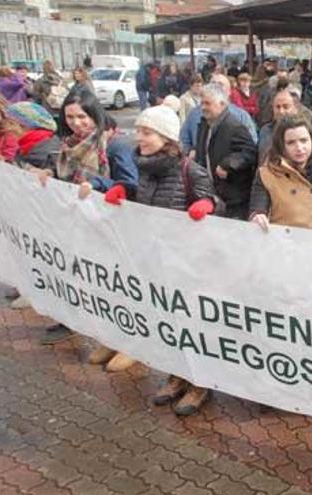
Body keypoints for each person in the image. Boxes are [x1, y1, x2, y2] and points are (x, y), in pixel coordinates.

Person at [102, 105, 218, 415]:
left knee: (192, 324)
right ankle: (176, 376)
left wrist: (206, 205)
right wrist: (124, 191)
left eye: (146, 132)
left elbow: (212, 200)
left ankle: (199, 384)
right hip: (156, 260)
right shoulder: (144, 168)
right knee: (168, 322)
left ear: (166, 137)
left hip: (188, 263)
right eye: (138, 131)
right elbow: (143, 199)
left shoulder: (189, 170)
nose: (139, 137)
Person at [34, 90, 111, 345]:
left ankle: (109, 333)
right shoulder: (65, 145)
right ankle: (70, 320)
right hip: (70, 222)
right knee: (68, 273)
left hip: (100, 225)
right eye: (70, 117)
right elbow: (59, 173)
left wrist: (98, 185)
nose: (76, 123)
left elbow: (126, 183)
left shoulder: (109, 144)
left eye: (82, 116)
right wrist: (48, 171)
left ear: (94, 115)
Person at [249, 113, 312, 234]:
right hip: (285, 246)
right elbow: (258, 207)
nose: (299, 147)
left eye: (304, 140)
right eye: (291, 142)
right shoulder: (267, 174)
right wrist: (258, 215)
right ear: (281, 146)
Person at [195, 82, 258, 220]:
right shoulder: (204, 125)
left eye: (208, 103)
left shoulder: (234, 127)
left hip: (233, 200)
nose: (203, 107)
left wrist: (229, 164)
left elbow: (250, 152)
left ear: (222, 104)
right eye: (202, 103)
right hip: (212, 194)